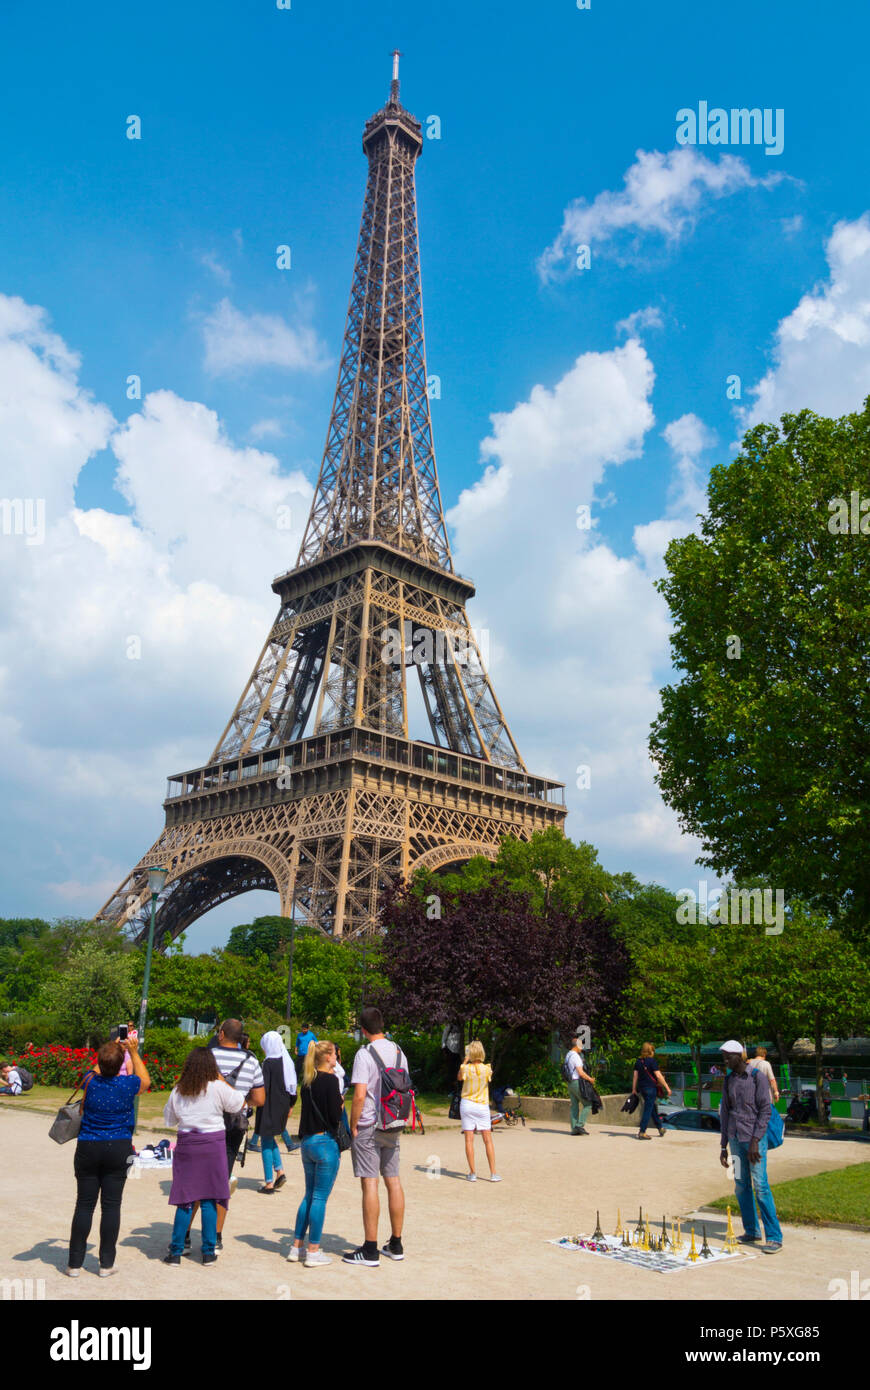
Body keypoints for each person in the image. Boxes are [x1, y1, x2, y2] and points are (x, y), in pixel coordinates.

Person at [66, 1036, 151, 1277]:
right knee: (111, 1206)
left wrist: (109, 1051)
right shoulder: (127, 1085)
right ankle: (105, 1264)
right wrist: (132, 1052)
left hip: (89, 1145)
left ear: (100, 1062)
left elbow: (95, 1069)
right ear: (119, 1065)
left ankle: (74, 1264)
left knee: (84, 1205)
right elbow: (146, 1081)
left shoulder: (90, 1081)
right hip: (119, 1146)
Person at [184, 1019, 265, 1253]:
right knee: (221, 1181)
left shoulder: (204, 1057)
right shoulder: (251, 1061)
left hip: (202, 1123)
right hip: (233, 1126)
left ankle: (186, 1235)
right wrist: (242, 1103)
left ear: (220, 1034)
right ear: (240, 1038)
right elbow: (260, 1099)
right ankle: (216, 1236)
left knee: (194, 1181)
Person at [162, 1047, 245, 1265]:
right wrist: (222, 1080)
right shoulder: (217, 1087)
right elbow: (239, 1103)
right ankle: (208, 1251)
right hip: (213, 1144)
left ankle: (176, 1252)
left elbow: (169, 1120)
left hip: (188, 1143)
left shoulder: (179, 1090)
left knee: (185, 1200)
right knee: (210, 1197)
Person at [343, 1005, 407, 1267]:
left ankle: (369, 1249)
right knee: (393, 1180)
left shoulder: (364, 1054)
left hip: (370, 1124)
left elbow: (359, 1094)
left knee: (370, 1183)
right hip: (394, 1121)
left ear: (363, 1029)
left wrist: (353, 1124)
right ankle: (396, 1242)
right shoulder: (399, 1051)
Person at [718, 1040, 782, 1254]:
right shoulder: (729, 1080)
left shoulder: (757, 1077)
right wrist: (723, 1145)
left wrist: (755, 1140)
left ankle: (774, 1236)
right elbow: (726, 1112)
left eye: (729, 1056)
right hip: (735, 1139)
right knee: (741, 1185)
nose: (726, 1061)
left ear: (740, 1056)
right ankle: (752, 1230)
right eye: (724, 1057)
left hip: (755, 1140)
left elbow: (765, 1110)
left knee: (761, 1186)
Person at [287, 1040, 344, 1267]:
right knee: (320, 1197)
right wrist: (340, 1104)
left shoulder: (308, 1081)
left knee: (309, 1195)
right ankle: (313, 1251)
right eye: (335, 1054)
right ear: (329, 1056)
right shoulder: (330, 1081)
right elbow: (334, 1117)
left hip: (308, 1141)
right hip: (324, 1141)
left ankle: (296, 1247)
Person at [255, 1031, 297, 1193]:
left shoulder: (268, 1063)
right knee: (270, 1137)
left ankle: (269, 1182)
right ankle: (280, 1171)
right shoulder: (286, 1061)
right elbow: (293, 1087)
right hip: (282, 1105)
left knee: (265, 1140)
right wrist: (291, 1105)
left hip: (268, 1106)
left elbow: (263, 1088)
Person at [458, 1040, 500, 1181]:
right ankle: (493, 1173)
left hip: (467, 1104)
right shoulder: (487, 1069)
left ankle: (472, 1173)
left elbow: (459, 1077)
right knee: (488, 1140)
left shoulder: (465, 1068)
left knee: (469, 1140)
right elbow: (488, 1079)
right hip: (482, 1105)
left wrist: (465, 1061)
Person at [632, 1042, 671, 1139]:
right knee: (648, 1109)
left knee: (652, 1107)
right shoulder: (652, 1061)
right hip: (651, 1088)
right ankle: (642, 1131)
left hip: (642, 1088)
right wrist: (667, 1087)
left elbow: (635, 1076)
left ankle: (660, 1127)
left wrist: (633, 1089)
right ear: (651, 1051)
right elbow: (658, 1076)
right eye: (653, 1050)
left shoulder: (638, 1061)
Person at [564, 1035, 595, 1136]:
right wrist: (590, 1079)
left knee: (574, 1106)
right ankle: (579, 1125)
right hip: (577, 1082)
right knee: (588, 1104)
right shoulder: (576, 1056)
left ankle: (574, 1129)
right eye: (581, 1046)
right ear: (576, 1046)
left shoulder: (568, 1055)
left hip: (570, 1083)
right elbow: (580, 1073)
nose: (582, 1048)